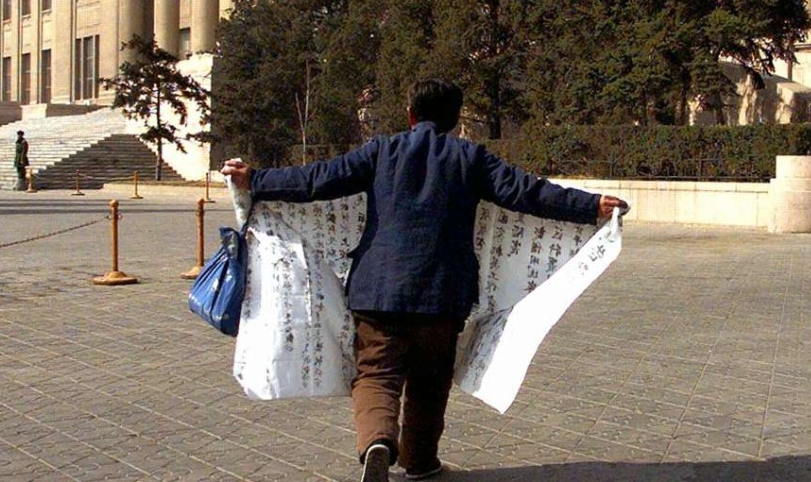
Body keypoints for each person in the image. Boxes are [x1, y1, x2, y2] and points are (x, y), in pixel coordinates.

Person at [222, 80, 627, 482]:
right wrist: (591, 205)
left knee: (376, 374)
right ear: (453, 120)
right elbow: (529, 193)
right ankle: (420, 463)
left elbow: (318, 179)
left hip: (378, 291)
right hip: (441, 295)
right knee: (429, 384)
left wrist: (255, 179)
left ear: (410, 114)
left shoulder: (381, 150)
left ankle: (378, 441)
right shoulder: (471, 157)